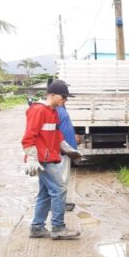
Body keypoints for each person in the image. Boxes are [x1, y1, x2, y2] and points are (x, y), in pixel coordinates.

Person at [22, 79, 83, 240]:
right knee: (59, 189)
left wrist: (69, 150)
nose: (65, 99)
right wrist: (32, 158)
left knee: (46, 194)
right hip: (42, 159)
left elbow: (56, 135)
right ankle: (58, 227)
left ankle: (37, 227)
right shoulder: (38, 110)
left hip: (50, 157)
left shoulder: (54, 112)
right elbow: (28, 137)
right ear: (52, 95)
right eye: (63, 96)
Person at [56, 92, 77, 211]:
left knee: (63, 179)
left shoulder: (60, 109)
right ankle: (59, 206)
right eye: (64, 97)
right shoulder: (55, 111)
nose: (66, 100)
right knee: (61, 179)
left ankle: (60, 203)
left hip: (65, 150)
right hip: (62, 151)